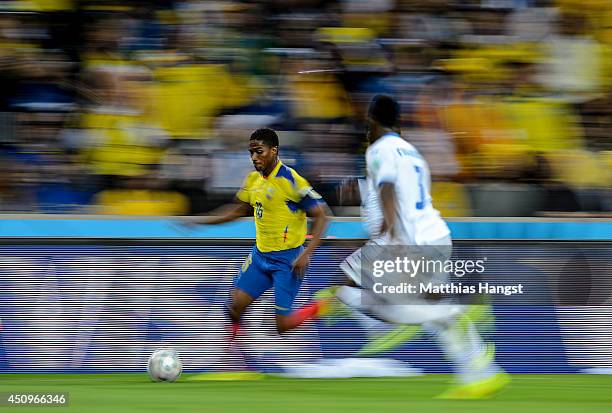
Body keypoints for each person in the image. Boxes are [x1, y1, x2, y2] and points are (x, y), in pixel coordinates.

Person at [329, 95, 509, 398]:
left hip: (404, 240)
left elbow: (388, 189)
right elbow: (405, 189)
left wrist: (393, 236)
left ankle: (448, 314)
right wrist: (361, 190)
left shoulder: (378, 149)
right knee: (426, 307)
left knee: (352, 290)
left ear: (371, 122)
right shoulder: (412, 152)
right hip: (436, 234)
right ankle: (479, 375)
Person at [187, 128, 329, 336]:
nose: (254, 157)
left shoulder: (291, 180)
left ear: (274, 150)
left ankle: (322, 306)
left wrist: (307, 254)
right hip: (260, 256)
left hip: (287, 261)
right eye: (251, 152)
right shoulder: (253, 180)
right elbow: (237, 210)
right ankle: (237, 357)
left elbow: (323, 216)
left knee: (282, 326)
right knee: (235, 306)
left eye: (259, 151)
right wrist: (203, 221)